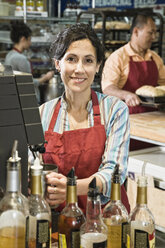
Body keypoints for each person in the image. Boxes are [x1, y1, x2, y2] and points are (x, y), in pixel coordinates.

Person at [39, 23, 130, 214]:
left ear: (97, 66)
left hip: (107, 216)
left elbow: (115, 173)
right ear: (58, 64)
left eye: (88, 61)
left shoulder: (115, 110)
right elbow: (35, 169)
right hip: (61, 219)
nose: (79, 69)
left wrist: (71, 188)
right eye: (71, 59)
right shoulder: (42, 114)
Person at [101, 12, 165, 114]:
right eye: (150, 33)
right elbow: (108, 88)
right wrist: (126, 95)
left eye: (155, 33)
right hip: (125, 117)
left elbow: (163, 84)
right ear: (136, 31)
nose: (154, 37)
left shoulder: (155, 58)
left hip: (153, 116)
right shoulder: (118, 58)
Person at [5, 20, 54, 103]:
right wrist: (46, 77)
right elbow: (29, 83)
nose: (30, 43)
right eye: (29, 40)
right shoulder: (20, 59)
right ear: (23, 39)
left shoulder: (9, 55)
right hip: (26, 101)